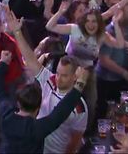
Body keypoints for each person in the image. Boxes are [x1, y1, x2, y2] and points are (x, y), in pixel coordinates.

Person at [8, 10, 88, 154]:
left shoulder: (80, 107)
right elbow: (30, 58)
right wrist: (17, 32)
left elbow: (75, 141)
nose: (58, 78)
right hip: (35, 147)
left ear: (74, 77)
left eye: (64, 75)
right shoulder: (49, 80)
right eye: (57, 73)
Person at [0, 49, 89, 153]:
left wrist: (3, 63)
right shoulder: (37, 129)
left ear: (18, 102)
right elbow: (60, 113)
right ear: (38, 109)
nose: (59, 78)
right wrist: (81, 83)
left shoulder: (6, 114)